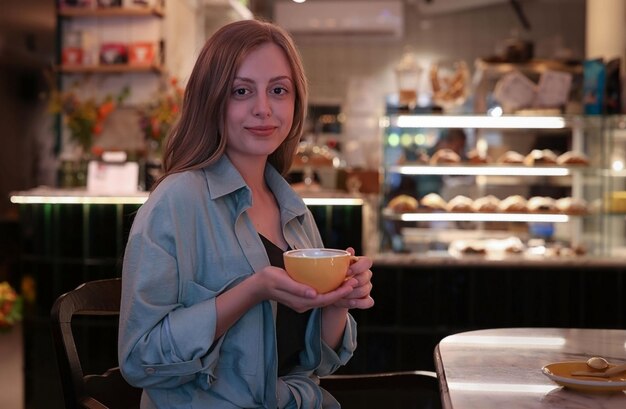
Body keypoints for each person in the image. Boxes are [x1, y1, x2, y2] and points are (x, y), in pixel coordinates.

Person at [118, 19, 374, 408]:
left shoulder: (293, 209)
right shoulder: (176, 202)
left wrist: (338, 299)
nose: (263, 109)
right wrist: (250, 292)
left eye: (278, 90)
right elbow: (139, 359)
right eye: (241, 91)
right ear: (211, 99)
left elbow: (317, 362)